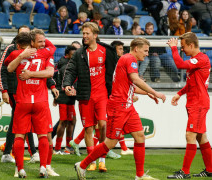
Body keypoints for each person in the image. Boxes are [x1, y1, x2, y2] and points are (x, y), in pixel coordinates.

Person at [74, 37, 166, 180]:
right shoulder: (130, 59)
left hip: (127, 106)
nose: (147, 54)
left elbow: (131, 85)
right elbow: (135, 79)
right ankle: (82, 165)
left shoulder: (128, 60)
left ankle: (140, 176)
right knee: (110, 142)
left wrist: (148, 93)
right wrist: (155, 92)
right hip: (118, 107)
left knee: (140, 136)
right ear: (136, 48)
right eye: (145, 50)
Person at [63, 22, 118, 172]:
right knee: (88, 129)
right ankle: (92, 160)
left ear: (95, 35)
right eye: (83, 33)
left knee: (103, 125)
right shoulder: (80, 53)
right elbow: (70, 71)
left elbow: (116, 70)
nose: (84, 36)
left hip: (102, 95)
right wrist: (67, 85)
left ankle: (102, 160)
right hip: (85, 96)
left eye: (87, 33)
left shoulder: (106, 51)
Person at [5, 30, 58, 178]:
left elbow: (8, 68)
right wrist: (41, 42)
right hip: (40, 101)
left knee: (19, 136)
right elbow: (49, 70)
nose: (43, 43)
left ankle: (20, 169)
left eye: (43, 41)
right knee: (43, 135)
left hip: (23, 101)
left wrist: (23, 57)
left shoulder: (17, 54)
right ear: (33, 42)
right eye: (39, 41)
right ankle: (43, 167)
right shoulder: (46, 54)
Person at [167, 33, 212, 178]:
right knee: (201, 137)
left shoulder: (201, 59)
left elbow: (180, 64)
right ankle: (210, 169)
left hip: (198, 103)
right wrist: (179, 93)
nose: (181, 49)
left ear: (191, 45)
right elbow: (191, 83)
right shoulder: (195, 60)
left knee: (190, 135)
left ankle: (185, 172)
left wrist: (173, 48)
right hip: (195, 102)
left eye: (183, 46)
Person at [0, 26, 40, 165]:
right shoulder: (11, 49)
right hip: (15, 90)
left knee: (19, 120)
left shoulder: (35, 50)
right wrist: (4, 90)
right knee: (22, 120)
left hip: (30, 90)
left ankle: (8, 152)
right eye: (23, 33)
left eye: (28, 33)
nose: (25, 36)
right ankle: (33, 152)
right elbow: (2, 69)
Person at [53, 45, 77, 155]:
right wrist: (56, 97)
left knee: (71, 121)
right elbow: (59, 82)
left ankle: (68, 147)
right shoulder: (65, 66)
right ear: (67, 55)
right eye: (73, 55)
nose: (74, 57)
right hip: (63, 96)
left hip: (70, 96)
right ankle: (58, 148)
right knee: (63, 121)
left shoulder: (68, 64)